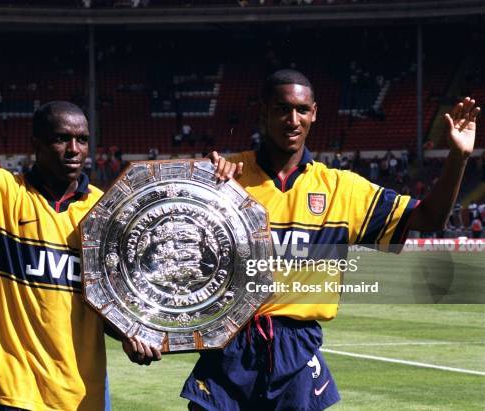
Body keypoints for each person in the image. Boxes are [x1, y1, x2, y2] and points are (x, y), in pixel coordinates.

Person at [180, 69, 480, 410]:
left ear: (315, 113)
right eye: (281, 109)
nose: (292, 120)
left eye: (302, 110)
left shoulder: (342, 189)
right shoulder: (225, 177)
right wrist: (198, 181)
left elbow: (429, 218)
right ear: (263, 112)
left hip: (296, 349)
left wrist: (458, 157)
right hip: (228, 348)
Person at [0, 36, 160, 411]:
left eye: (82, 140)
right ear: (35, 145)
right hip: (7, 391)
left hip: (77, 394)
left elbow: (111, 304)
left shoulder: (107, 212)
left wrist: (131, 333)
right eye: (61, 139)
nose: (74, 149)